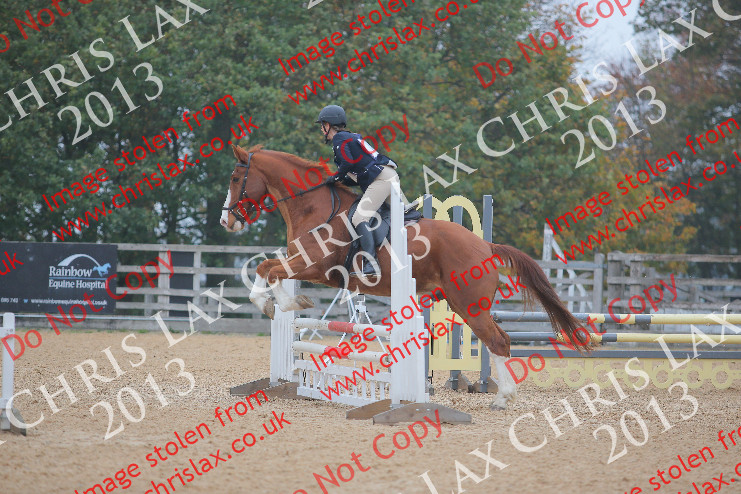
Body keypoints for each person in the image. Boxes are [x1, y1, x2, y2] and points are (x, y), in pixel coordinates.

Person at [316, 104, 403, 278]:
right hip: (387, 175)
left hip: (382, 179)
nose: (321, 129)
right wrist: (340, 181)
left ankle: (371, 263)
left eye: (322, 125)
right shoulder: (349, 137)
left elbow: (347, 163)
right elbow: (357, 172)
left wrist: (336, 176)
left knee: (359, 218)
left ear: (328, 125)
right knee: (403, 215)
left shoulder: (339, 139)